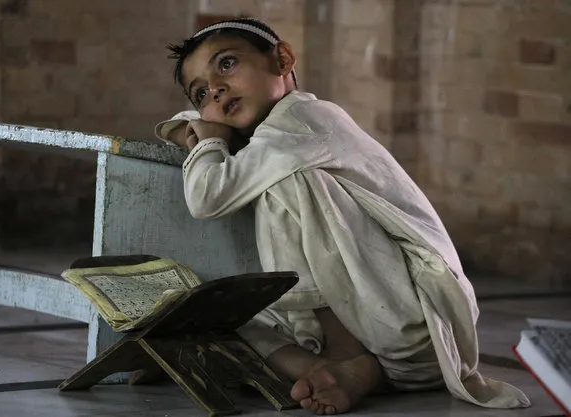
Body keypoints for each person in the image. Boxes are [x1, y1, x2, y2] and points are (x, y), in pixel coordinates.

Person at [155, 18, 529, 415]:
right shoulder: (270, 138)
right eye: (200, 93)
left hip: (421, 319)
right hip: (402, 351)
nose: (215, 89)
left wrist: (209, 137)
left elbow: (206, 197)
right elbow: (178, 127)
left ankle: (343, 355)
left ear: (282, 59)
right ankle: (347, 372)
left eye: (227, 64)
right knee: (222, 319)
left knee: (290, 184)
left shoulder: (303, 123)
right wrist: (194, 127)